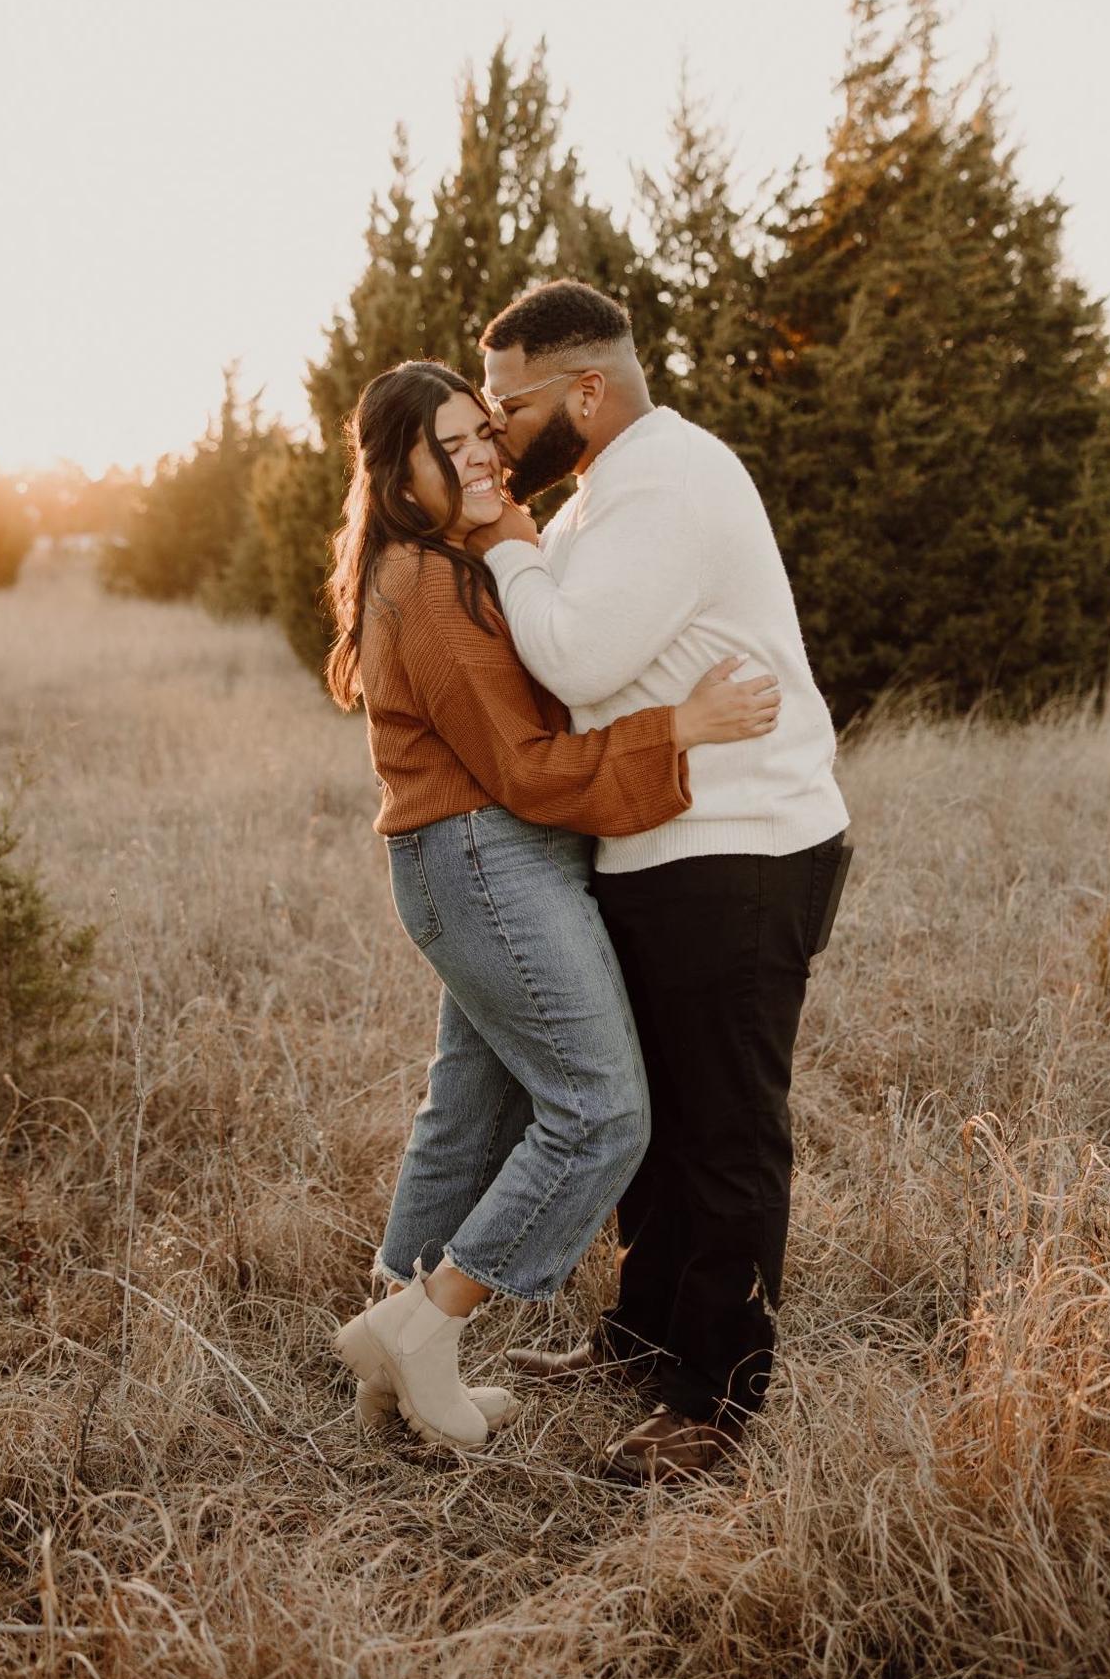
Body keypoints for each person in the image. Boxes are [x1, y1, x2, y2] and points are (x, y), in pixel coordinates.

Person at [325, 360, 782, 1451]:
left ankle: (390, 1366)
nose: (480, 456)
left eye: (482, 433)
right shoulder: (424, 585)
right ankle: (421, 1328)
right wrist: (677, 727)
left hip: (477, 860)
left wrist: (507, 533)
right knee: (601, 1112)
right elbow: (526, 766)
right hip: (487, 859)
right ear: (397, 472)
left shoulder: (439, 561)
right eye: (449, 447)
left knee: (470, 1110)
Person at [469, 280, 851, 1484]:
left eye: (507, 404)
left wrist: (500, 534)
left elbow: (575, 655)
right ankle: (641, 1338)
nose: (493, 430)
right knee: (657, 1125)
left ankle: (715, 1399)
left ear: (586, 389)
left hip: (742, 850)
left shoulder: (669, 481)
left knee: (725, 1132)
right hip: (657, 846)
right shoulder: (601, 493)